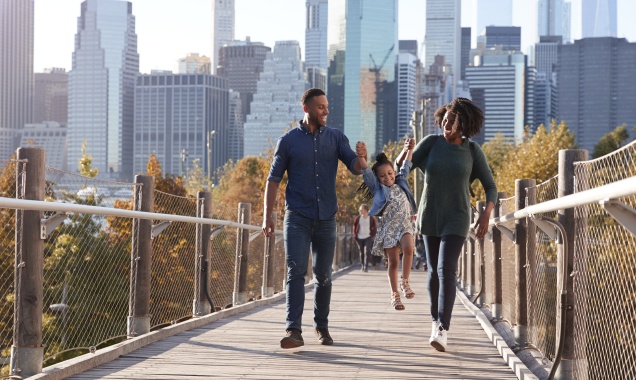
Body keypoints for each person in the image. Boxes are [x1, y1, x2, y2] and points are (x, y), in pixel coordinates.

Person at [262, 88, 365, 349]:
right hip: (297, 216)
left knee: (324, 275)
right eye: (320, 107)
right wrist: (268, 216)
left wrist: (362, 159)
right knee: (295, 271)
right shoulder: (288, 141)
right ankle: (293, 330)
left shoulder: (336, 137)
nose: (326, 111)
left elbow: (353, 166)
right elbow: (273, 180)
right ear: (306, 108)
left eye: (327, 106)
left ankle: (321, 325)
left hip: (327, 217)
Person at [410, 97, 497, 352]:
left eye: (452, 122)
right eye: (444, 120)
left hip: (457, 217)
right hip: (430, 216)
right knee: (433, 273)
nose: (446, 125)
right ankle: (434, 320)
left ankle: (442, 329)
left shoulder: (472, 151)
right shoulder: (432, 143)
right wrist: (404, 156)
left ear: (464, 125)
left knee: (446, 269)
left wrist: (486, 214)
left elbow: (491, 187)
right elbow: (402, 169)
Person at [356, 138, 418, 310]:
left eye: (390, 173)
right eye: (382, 176)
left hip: (405, 224)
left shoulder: (401, 180)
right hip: (389, 227)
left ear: (394, 172)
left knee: (408, 248)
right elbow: (367, 171)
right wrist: (361, 157)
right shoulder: (377, 188)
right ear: (378, 178)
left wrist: (409, 149)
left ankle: (405, 282)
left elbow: (406, 164)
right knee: (393, 262)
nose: (388, 177)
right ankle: (395, 295)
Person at [353, 204, 377, 272]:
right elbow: (354, 227)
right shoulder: (358, 218)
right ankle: (362, 265)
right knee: (361, 252)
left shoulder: (371, 218)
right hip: (359, 237)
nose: (361, 210)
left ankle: (366, 267)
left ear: (366, 210)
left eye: (362, 209)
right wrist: (355, 235)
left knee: (366, 251)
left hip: (368, 237)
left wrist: (372, 235)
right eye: (360, 209)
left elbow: (374, 227)